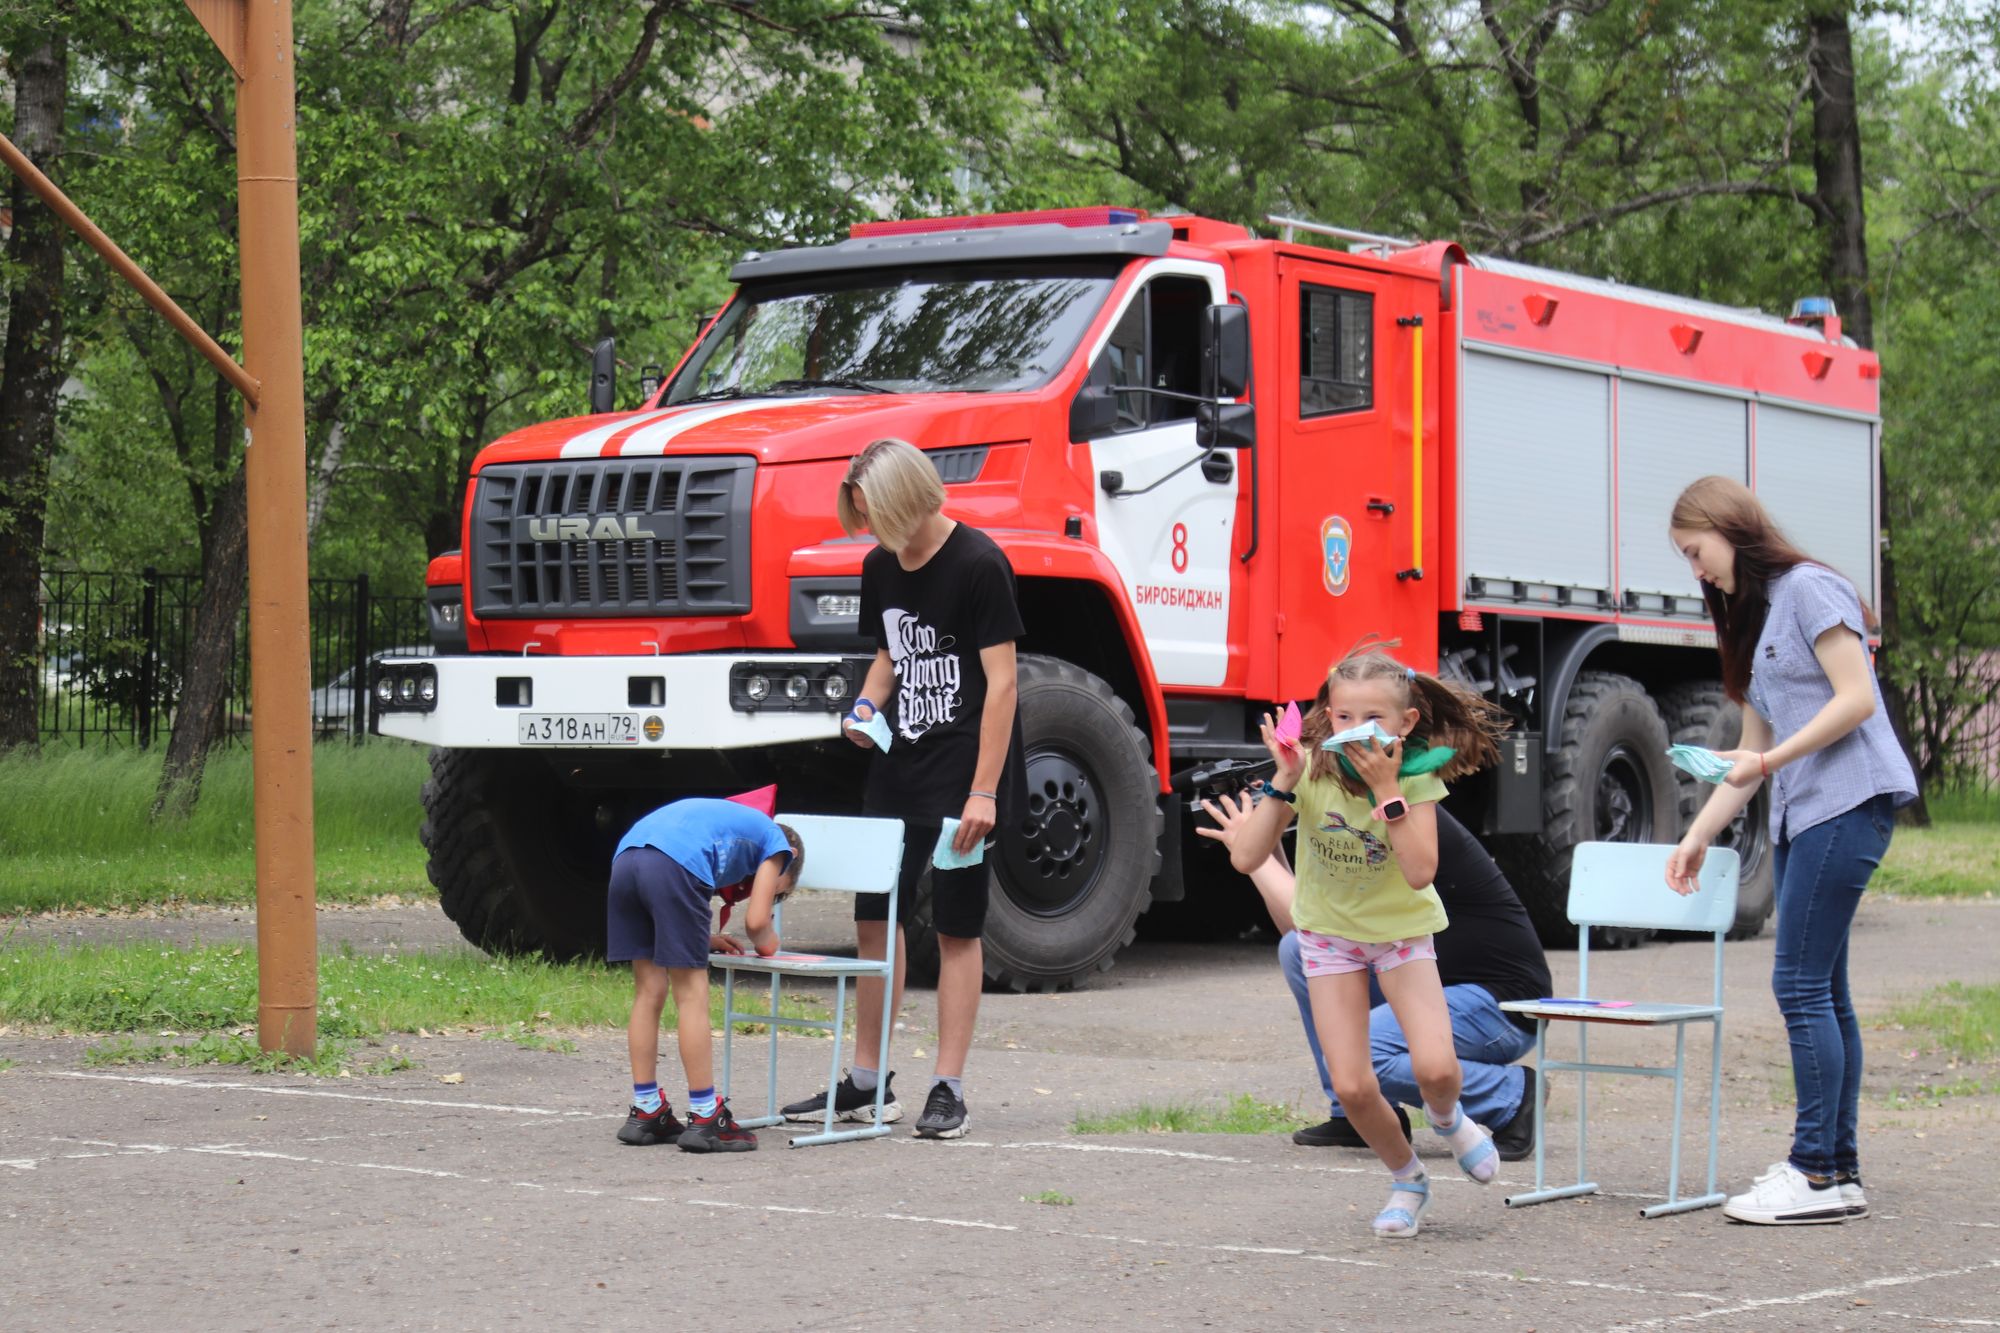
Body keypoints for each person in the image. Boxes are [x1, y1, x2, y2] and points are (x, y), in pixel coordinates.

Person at [1666, 476, 1916, 1225]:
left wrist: (1770, 768)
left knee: (1801, 985)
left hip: (1849, 804)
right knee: (1823, 991)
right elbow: (1751, 750)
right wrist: (1697, 832)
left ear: (1728, 526)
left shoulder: (1810, 589)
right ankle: (1835, 1168)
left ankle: (1816, 1171)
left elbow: (1856, 698)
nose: (1696, 568)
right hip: (1811, 816)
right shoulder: (1758, 619)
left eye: (1695, 550)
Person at [781, 438, 1025, 1140]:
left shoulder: (980, 564)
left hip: (963, 770)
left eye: (873, 512)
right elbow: (891, 654)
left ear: (906, 499)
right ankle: (866, 1082)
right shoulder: (879, 565)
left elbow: (1004, 684)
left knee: (955, 922)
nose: (870, 529)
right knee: (872, 916)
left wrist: (984, 792)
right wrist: (865, 707)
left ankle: (948, 1088)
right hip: (899, 763)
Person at [1228, 646, 1513, 1238]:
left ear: (1406, 723)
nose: (1355, 732)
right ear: (1325, 716)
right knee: (1355, 1087)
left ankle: (1448, 1118)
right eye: (1342, 717)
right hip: (1329, 939)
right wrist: (1282, 780)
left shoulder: (1417, 777)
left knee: (1437, 1070)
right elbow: (1248, 856)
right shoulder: (1305, 770)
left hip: (1400, 935)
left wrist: (1389, 791)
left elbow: (1419, 872)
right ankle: (1407, 1181)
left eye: (1373, 719)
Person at [1196, 791, 1550, 1161]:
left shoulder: (1384, 805)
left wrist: (1251, 852)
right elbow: (1305, 932)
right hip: (1427, 984)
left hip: (1499, 1003)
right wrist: (1267, 846)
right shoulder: (1336, 804)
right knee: (1297, 950)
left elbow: (1311, 916)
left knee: (1360, 1055)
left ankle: (1508, 1095)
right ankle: (1356, 1112)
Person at [607, 797, 803, 1154]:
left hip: (627, 858)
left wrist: (704, 938)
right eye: (780, 890)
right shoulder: (775, 842)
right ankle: (705, 1116)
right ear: (788, 857)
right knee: (691, 996)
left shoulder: (731, 824)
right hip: (674, 862)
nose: (772, 893)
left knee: (648, 991)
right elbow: (757, 924)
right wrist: (769, 941)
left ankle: (646, 1110)